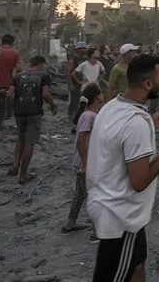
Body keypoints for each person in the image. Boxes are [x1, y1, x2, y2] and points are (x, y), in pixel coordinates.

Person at [86, 53, 159, 282]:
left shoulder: (111, 107)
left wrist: (151, 123)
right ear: (147, 84)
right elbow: (139, 182)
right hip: (121, 218)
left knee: (137, 265)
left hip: (107, 204)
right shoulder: (136, 123)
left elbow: (118, 139)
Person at [7, 55, 57, 184]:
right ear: (41, 64)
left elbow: (9, 94)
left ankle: (16, 165)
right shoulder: (44, 75)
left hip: (19, 112)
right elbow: (45, 94)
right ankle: (23, 174)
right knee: (29, 142)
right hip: (34, 112)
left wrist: (11, 109)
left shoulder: (17, 76)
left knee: (20, 138)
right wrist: (52, 104)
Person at [62, 82, 103, 235]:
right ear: (97, 96)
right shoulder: (89, 116)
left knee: (80, 194)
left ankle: (69, 223)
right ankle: (97, 232)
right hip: (85, 162)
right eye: (101, 93)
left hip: (85, 161)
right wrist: (86, 164)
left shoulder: (89, 115)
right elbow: (81, 141)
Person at [0, 34, 22, 126]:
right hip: (8, 82)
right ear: (12, 43)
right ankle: (1, 123)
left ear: (1, 41)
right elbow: (19, 69)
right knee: (4, 104)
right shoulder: (15, 53)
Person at [66, 41, 88, 130]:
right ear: (78, 50)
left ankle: (80, 119)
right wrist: (71, 84)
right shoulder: (73, 60)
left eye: (85, 48)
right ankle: (70, 120)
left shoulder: (86, 59)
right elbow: (68, 73)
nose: (84, 50)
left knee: (83, 102)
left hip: (84, 84)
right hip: (75, 84)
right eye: (82, 48)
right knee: (73, 103)